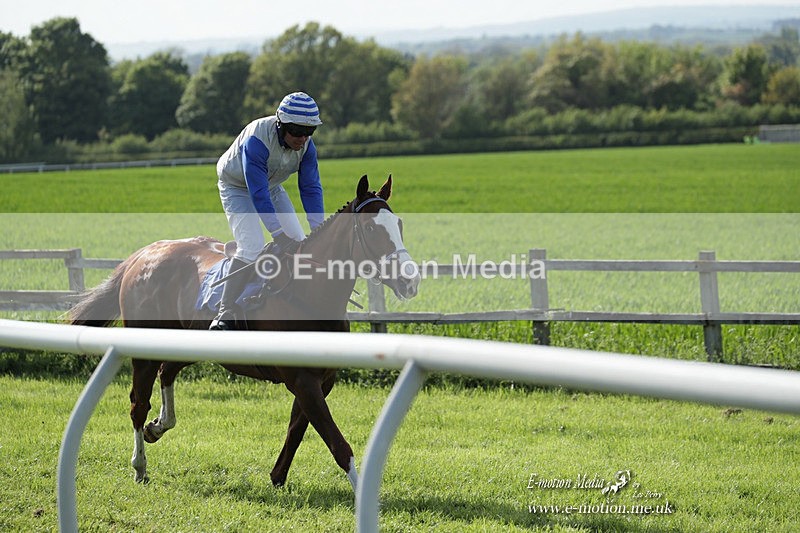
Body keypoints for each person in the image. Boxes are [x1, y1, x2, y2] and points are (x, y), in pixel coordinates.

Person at [210, 91, 325, 330]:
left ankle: (291, 300)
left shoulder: (307, 147)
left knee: (299, 240)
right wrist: (277, 234)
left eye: (309, 132)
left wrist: (319, 229)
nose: (302, 138)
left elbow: (311, 188)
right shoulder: (257, 139)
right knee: (251, 246)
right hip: (237, 186)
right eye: (296, 131)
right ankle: (225, 311)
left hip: (272, 186)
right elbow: (257, 192)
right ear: (281, 124)